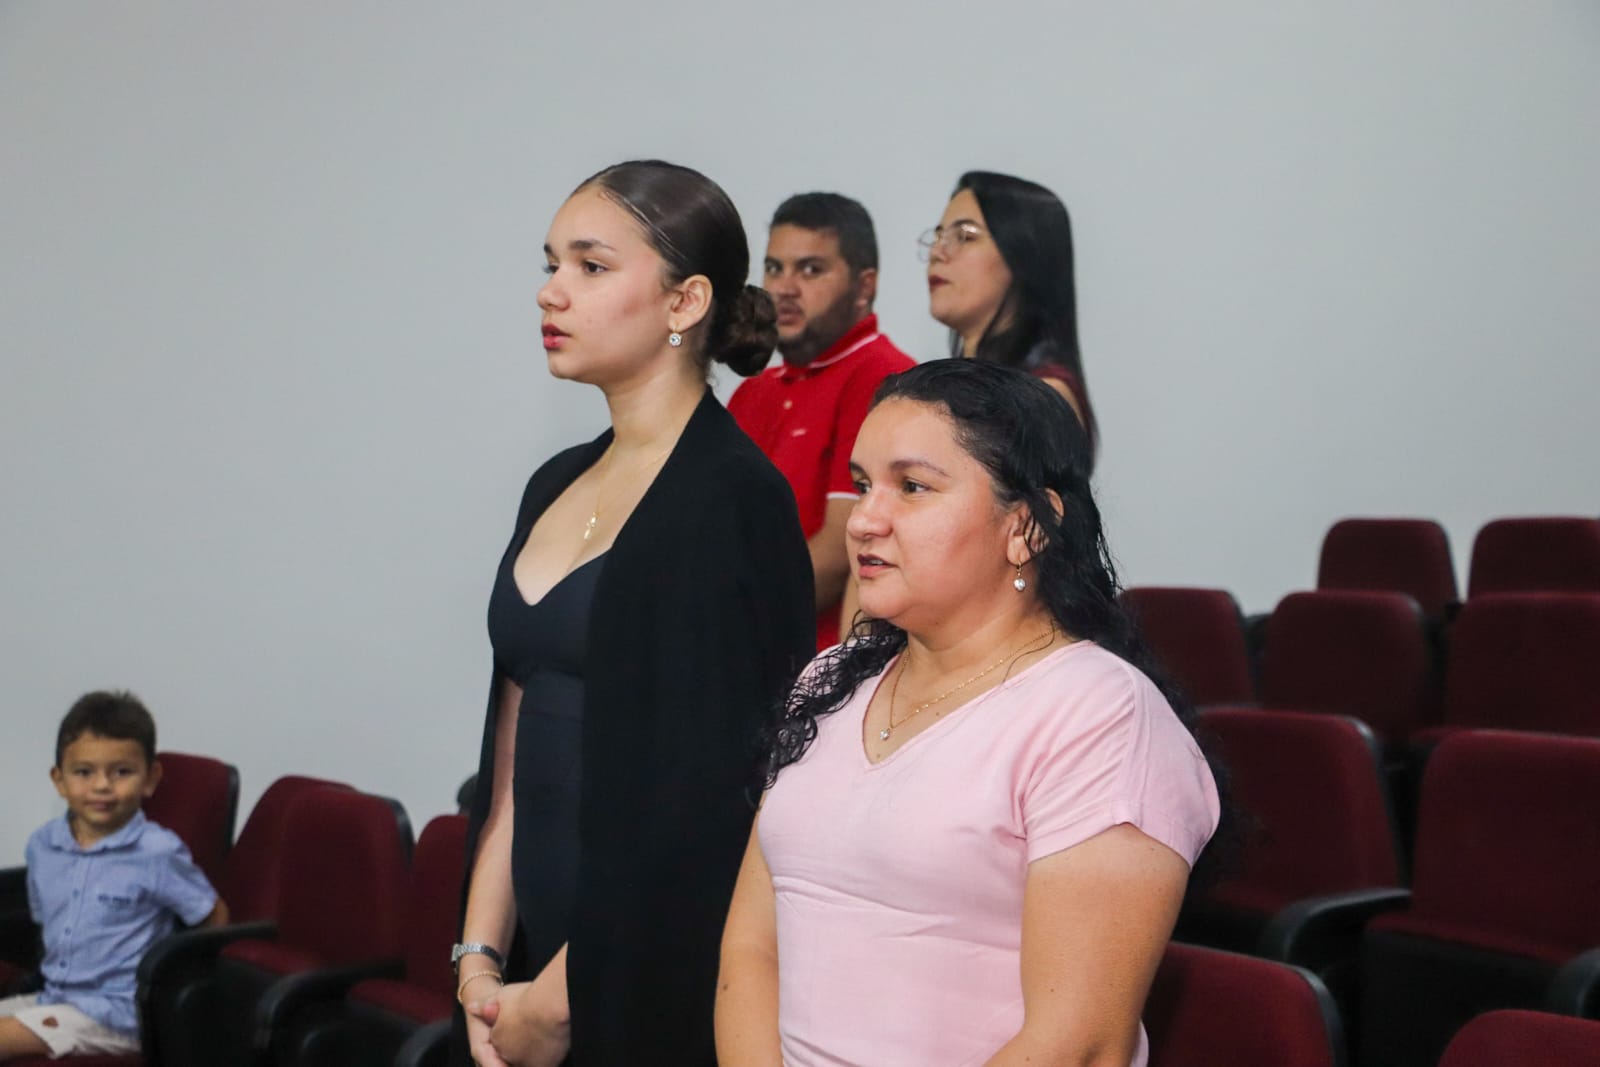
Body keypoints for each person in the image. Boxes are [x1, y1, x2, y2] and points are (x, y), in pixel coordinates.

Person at [716, 360, 1220, 1067]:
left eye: (912, 487)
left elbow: (1078, 1045)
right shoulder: (829, 679)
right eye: (862, 485)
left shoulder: (1099, 715)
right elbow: (752, 948)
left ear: (1026, 527)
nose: (863, 520)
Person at [454, 160, 815, 1067]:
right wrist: (478, 964)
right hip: (523, 975)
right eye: (551, 264)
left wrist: (560, 1003)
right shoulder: (554, 481)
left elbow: (719, 803)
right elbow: (508, 769)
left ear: (685, 301)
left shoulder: (735, 498)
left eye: (591, 266)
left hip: (649, 987)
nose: (551, 290)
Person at [728, 193, 915, 651]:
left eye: (811, 270)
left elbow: (841, 548)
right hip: (741, 656)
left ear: (864, 286)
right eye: (774, 268)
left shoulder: (887, 379)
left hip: (820, 668)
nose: (785, 288)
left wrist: (716, 621)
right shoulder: (753, 391)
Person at [0, 691, 227, 1061]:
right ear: (59, 780)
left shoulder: (157, 852)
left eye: (121, 772)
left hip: (117, 1015)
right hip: (54, 998)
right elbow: (45, 925)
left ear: (150, 778)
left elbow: (214, 917)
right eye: (84, 772)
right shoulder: (43, 846)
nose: (102, 785)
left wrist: (177, 996)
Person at [922, 171, 1098, 461]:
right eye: (939, 236)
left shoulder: (1042, 396)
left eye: (965, 235)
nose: (937, 252)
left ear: (1023, 255)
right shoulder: (945, 385)